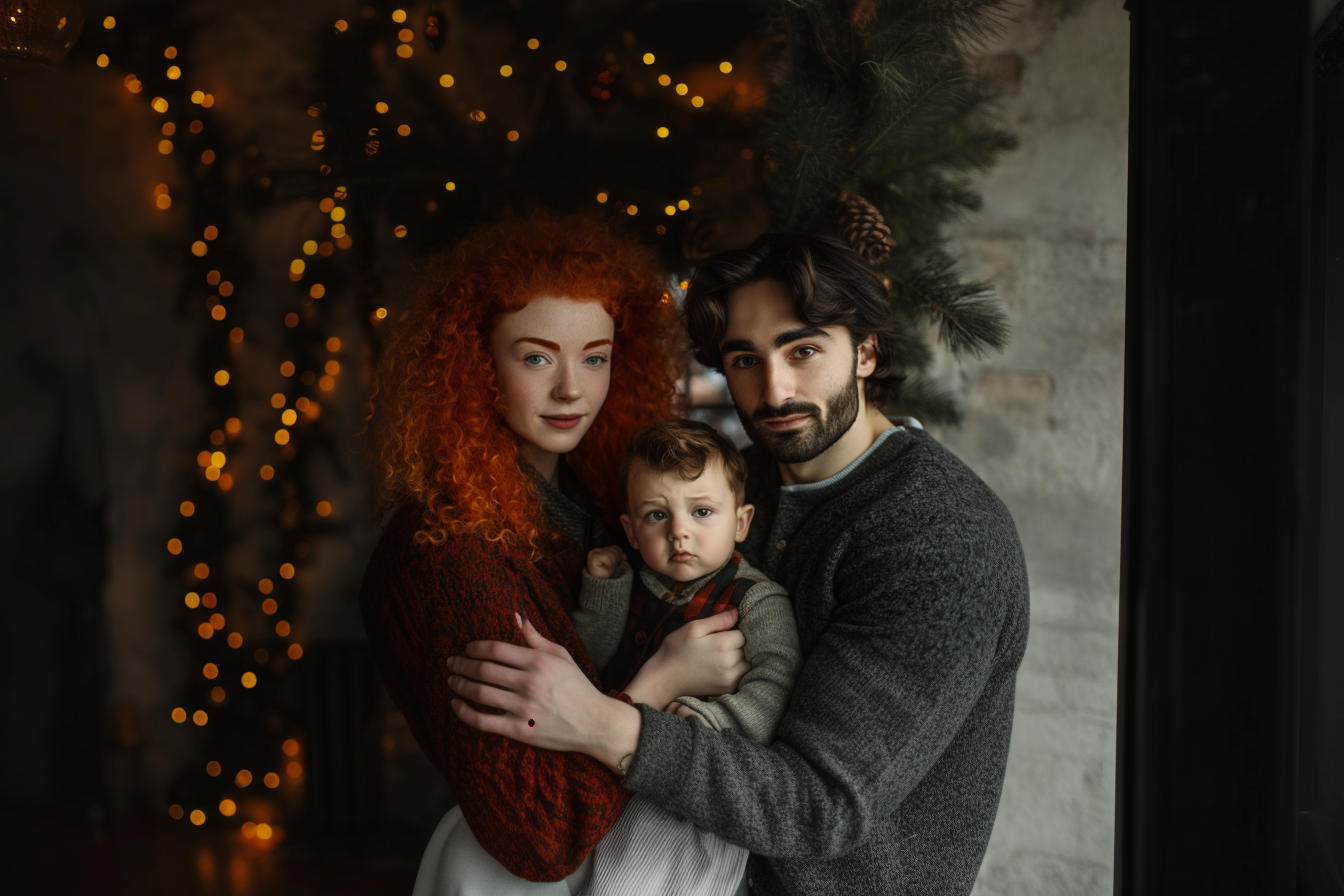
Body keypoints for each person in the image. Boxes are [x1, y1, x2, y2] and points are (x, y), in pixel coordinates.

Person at [443, 231, 1031, 895]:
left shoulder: (937, 536)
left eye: (802, 350)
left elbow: (819, 805)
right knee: (467, 856)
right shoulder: (730, 489)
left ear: (866, 352)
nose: (774, 390)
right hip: (681, 852)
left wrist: (609, 724)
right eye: (744, 360)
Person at [358, 216, 752, 895]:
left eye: (594, 357)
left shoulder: (602, 507)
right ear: (476, 362)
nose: (572, 389)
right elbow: (540, 836)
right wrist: (663, 679)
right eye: (537, 357)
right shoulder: (449, 557)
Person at [570, 419, 801, 896]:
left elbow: (778, 683)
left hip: (696, 791)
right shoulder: (631, 581)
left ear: (741, 522)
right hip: (613, 768)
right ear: (631, 532)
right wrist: (604, 593)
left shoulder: (755, 599)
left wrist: (712, 720)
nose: (679, 531)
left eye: (701, 512)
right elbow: (587, 660)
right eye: (657, 516)